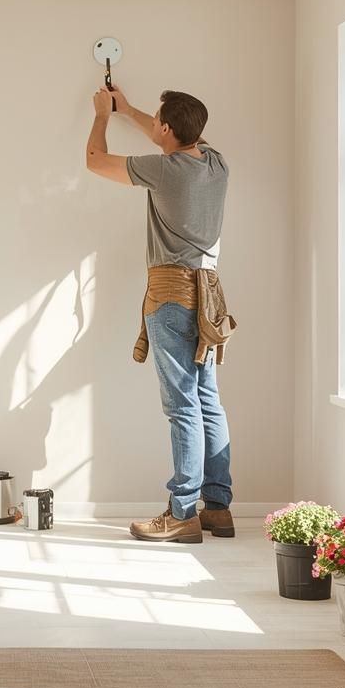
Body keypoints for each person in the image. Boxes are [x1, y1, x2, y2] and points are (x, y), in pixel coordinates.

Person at [84, 85, 236, 543]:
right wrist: (130, 109)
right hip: (210, 296)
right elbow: (179, 132)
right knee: (206, 399)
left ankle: (182, 512)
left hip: (171, 295)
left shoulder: (164, 170)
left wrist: (102, 116)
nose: (152, 126)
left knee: (181, 405)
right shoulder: (216, 163)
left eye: (156, 122)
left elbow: (94, 159)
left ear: (166, 129)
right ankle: (218, 508)